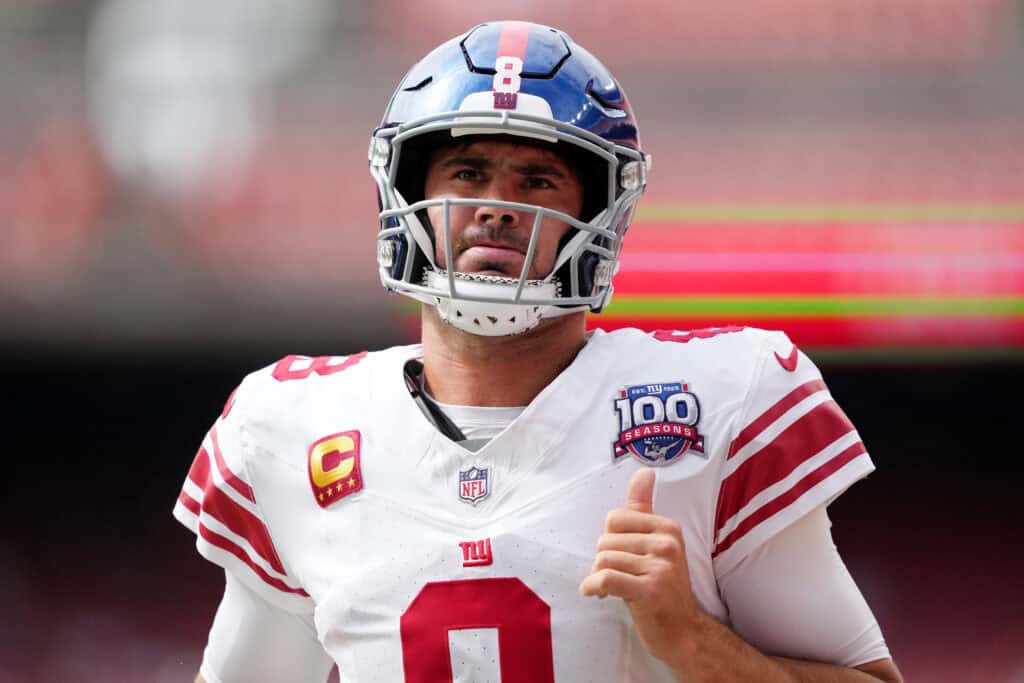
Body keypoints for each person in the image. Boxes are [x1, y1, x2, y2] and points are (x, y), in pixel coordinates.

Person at [175, 20, 903, 683]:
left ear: (595, 217)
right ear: (406, 192)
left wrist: (692, 641)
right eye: (467, 172)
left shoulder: (721, 402)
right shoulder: (291, 426)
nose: (498, 204)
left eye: (537, 180)